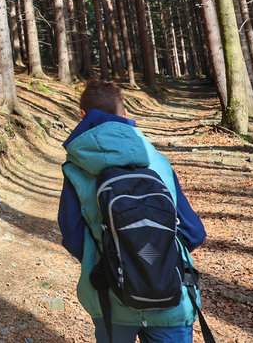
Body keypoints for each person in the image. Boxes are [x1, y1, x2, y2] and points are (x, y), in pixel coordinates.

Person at [58, 80, 208, 343]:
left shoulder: (76, 166)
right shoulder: (157, 160)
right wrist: (152, 256)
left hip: (109, 300)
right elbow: (193, 232)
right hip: (171, 297)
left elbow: (72, 236)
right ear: (124, 113)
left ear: (83, 115)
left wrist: (113, 257)